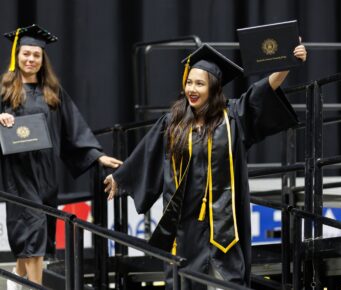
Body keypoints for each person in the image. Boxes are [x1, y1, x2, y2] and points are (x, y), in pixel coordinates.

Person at [104, 42, 307, 289]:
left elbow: (263, 91)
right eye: (189, 82)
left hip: (223, 231)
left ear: (213, 87)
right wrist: (121, 179)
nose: (192, 88)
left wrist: (287, 63)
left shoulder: (232, 117)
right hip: (185, 230)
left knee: (225, 282)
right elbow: (149, 154)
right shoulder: (173, 123)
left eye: (199, 84)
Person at [0, 24, 122, 289]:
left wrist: (96, 156)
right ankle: (35, 286)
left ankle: (18, 280)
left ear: (43, 59)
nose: (30, 59)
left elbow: (74, 129)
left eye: (36, 55)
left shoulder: (52, 93)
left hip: (45, 173)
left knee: (36, 232)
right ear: (16, 56)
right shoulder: (5, 91)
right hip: (17, 173)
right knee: (32, 228)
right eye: (26, 54)